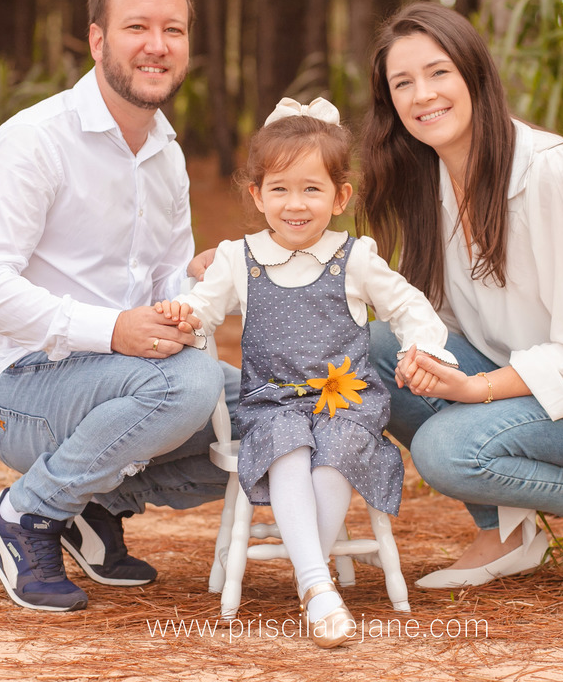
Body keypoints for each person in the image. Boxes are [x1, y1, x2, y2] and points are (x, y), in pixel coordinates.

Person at [357, 1, 563, 596]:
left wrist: (475, 389)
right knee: (376, 350)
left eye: (438, 73)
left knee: (447, 449)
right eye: (402, 83)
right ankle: (506, 531)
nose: (422, 95)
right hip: (531, 382)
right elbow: (435, 319)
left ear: (475, 75)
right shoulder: (429, 182)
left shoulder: (553, 171)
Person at [0, 0, 232, 613]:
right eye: (138, 26)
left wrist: (191, 289)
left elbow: (163, 275)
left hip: (121, 378)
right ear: (99, 40)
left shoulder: (166, 153)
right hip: (18, 385)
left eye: (174, 30)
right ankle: (26, 514)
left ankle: (93, 504)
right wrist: (112, 329)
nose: (158, 46)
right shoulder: (35, 141)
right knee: (191, 383)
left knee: (273, 405)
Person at [156, 97, 456, 646]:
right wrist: (185, 313)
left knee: (337, 450)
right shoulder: (238, 258)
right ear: (257, 194)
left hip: (345, 400)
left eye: (312, 189)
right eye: (280, 189)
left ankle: (312, 583)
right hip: (272, 401)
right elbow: (201, 308)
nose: (296, 204)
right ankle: (318, 585)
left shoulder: (355, 257)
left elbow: (412, 308)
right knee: (287, 443)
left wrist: (422, 349)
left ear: (341, 196)